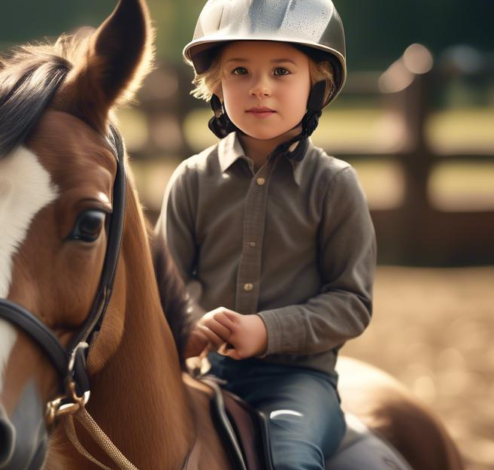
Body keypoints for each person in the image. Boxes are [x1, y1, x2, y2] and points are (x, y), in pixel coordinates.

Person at [155, 0, 376, 469]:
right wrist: (189, 325)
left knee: (290, 461)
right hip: (210, 373)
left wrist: (267, 330)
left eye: (281, 71)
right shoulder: (191, 180)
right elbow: (165, 284)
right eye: (240, 71)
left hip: (299, 382)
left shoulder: (334, 185)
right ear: (216, 84)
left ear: (317, 83)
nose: (259, 88)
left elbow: (351, 302)